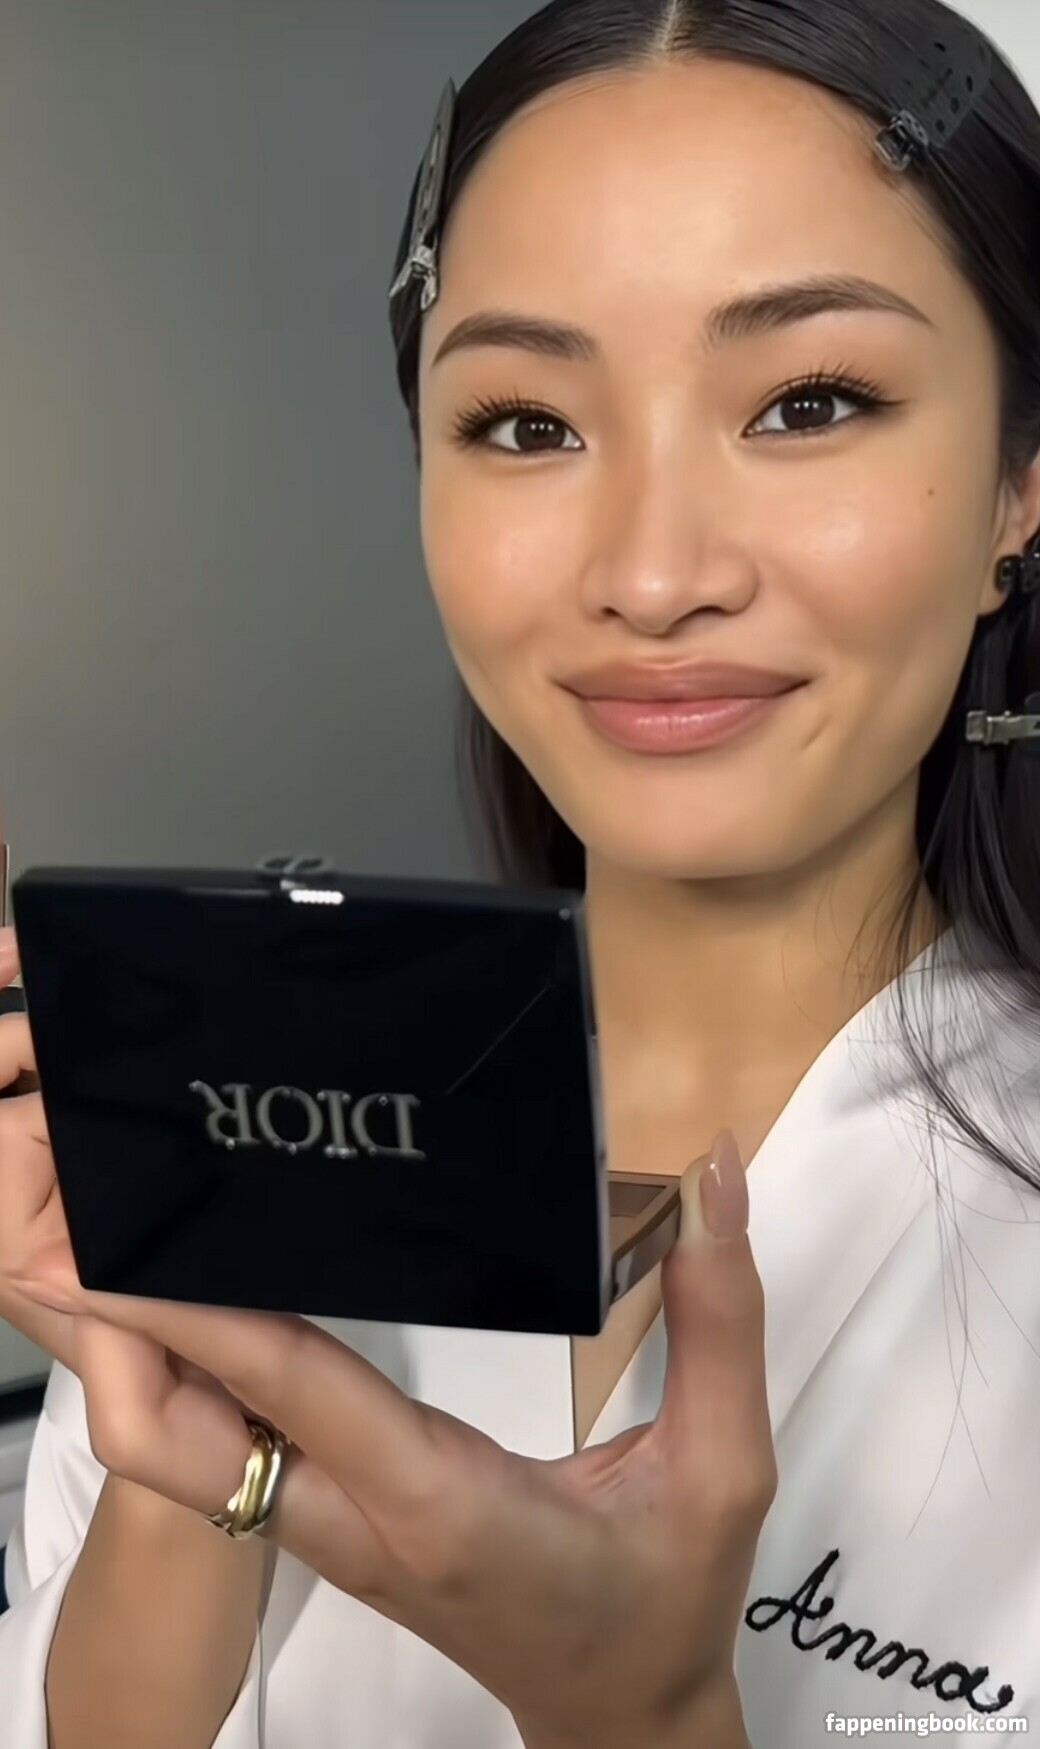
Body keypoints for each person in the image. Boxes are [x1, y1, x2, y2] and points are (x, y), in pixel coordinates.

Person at [1, 0, 1040, 1742]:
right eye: (528, 424)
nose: (653, 572)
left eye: (809, 402)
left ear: (1019, 485)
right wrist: (193, 1446)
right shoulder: (262, 1130)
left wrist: (641, 1713)